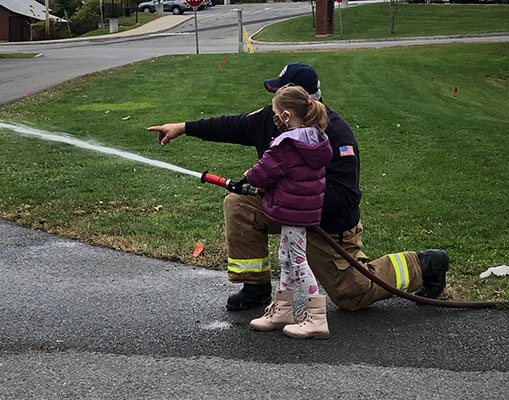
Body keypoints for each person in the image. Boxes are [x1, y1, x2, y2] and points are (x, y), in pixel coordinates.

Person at [147, 63, 450, 314]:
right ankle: (255, 287)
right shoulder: (271, 119)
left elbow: (344, 200)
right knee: (238, 203)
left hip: (327, 227)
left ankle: (426, 263)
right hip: (287, 210)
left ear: (294, 106)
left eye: (278, 97)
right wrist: (184, 127)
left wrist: (279, 192)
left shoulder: (337, 136)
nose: (272, 107)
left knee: (351, 294)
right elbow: (233, 125)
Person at [245, 85, 333, 339]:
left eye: (275, 113)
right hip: (300, 209)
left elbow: (262, 172)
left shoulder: (287, 144)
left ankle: (317, 318)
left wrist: (249, 176)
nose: (273, 118)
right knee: (286, 256)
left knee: (297, 259)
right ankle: (283, 310)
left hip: (293, 211)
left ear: (285, 115)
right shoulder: (313, 138)